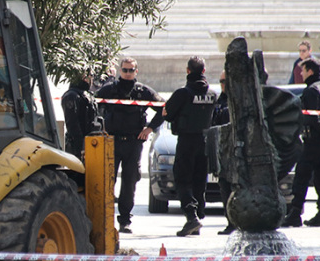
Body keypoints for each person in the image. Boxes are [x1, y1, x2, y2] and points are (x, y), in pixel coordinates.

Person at [96, 57, 164, 234]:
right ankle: (105, 219)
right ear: (120, 71)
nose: (127, 74)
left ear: (136, 71)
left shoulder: (142, 92)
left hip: (133, 143)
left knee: (129, 182)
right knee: (108, 181)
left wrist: (150, 128)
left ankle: (125, 220)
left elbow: (164, 108)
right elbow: (93, 107)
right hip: (112, 141)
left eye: (131, 70)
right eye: (124, 70)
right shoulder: (109, 90)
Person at [282, 57, 320, 227]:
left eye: (303, 70)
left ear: (310, 71)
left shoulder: (311, 91)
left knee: (302, 176)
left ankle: (294, 214)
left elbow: (312, 118)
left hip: (314, 140)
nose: (300, 73)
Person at [163, 57, 218, 236]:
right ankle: (198, 217)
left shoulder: (182, 93)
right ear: (203, 71)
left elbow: (167, 113)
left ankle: (191, 216)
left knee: (182, 179)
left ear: (188, 71)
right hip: (204, 141)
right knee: (199, 180)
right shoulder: (212, 94)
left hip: (187, 141)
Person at [211, 70, 236, 235]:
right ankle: (230, 222)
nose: (223, 85)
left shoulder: (239, 101)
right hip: (222, 152)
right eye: (221, 81)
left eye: (225, 81)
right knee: (224, 188)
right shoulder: (219, 101)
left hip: (237, 152)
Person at [61, 74, 102, 161]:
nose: (91, 79)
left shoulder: (87, 94)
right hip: (77, 146)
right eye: (90, 76)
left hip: (91, 142)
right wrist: (80, 146)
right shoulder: (72, 95)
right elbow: (72, 123)